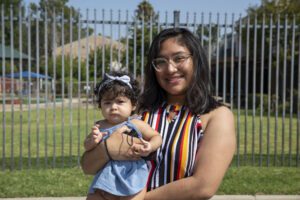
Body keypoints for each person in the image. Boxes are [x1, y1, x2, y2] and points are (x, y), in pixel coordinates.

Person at [81, 28, 236, 200]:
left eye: (179, 58)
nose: (170, 69)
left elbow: (203, 186)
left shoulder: (216, 116)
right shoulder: (138, 111)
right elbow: (87, 167)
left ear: (196, 61)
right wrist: (107, 149)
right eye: (161, 61)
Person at [84, 72, 162, 200]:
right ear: (100, 105)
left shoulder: (136, 123)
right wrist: (92, 141)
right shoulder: (100, 126)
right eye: (107, 103)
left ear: (133, 105)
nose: (113, 107)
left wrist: (150, 146)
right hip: (106, 177)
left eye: (120, 102)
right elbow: (87, 147)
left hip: (133, 175)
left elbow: (157, 137)